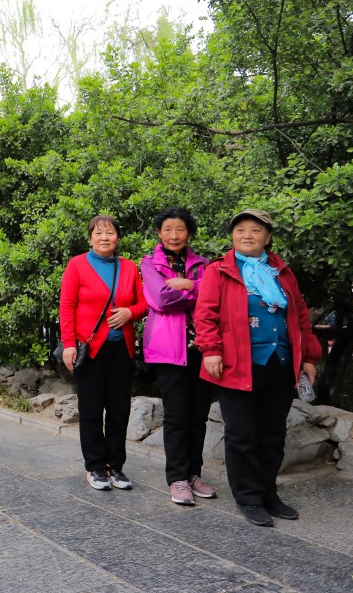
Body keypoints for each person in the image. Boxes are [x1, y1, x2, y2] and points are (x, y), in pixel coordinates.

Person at [194, 209, 320, 527]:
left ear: (267, 236)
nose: (246, 235)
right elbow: (205, 314)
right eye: (240, 230)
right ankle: (248, 497)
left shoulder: (282, 273)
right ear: (232, 237)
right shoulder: (219, 271)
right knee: (242, 435)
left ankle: (268, 493)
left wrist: (309, 358)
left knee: (273, 434)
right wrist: (211, 349)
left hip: (279, 363)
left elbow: (301, 317)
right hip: (237, 365)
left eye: (254, 230)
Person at [59, 215, 147, 491]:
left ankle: (116, 466)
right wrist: (69, 343)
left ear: (117, 237)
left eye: (109, 233)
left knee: (119, 409)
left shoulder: (129, 267)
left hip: (121, 348)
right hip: (90, 348)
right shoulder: (77, 265)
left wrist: (130, 312)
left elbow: (145, 302)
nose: (104, 238)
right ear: (90, 238)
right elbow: (67, 305)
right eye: (99, 233)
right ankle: (95, 466)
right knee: (92, 409)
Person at [140, 207, 215, 506]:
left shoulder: (203, 265)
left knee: (198, 416)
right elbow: (160, 298)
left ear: (189, 233)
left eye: (180, 229)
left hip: (202, 349)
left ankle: (194, 474)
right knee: (176, 416)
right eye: (168, 229)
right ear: (159, 233)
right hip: (168, 351)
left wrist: (188, 285)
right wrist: (196, 293)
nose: (174, 235)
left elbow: (214, 298)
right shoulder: (150, 264)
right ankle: (177, 478)